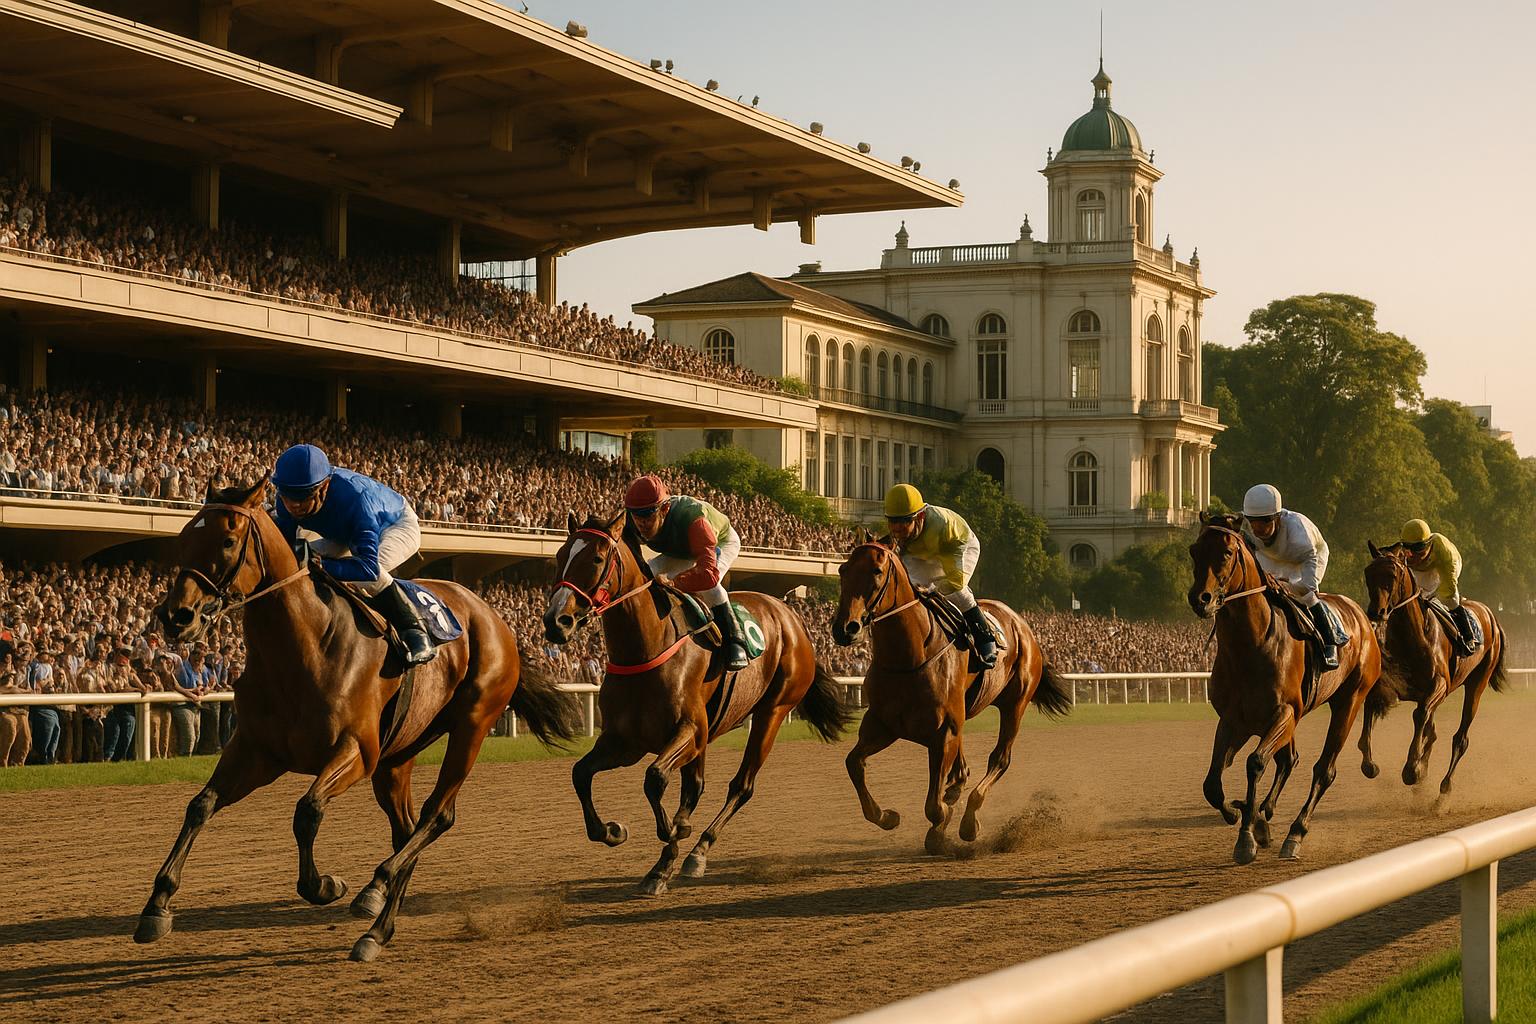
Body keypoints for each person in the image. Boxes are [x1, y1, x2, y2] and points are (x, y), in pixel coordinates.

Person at [271, 443, 434, 664]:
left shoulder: (357, 502)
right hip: (342, 533)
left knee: (369, 578)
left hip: (394, 525)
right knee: (296, 565)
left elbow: (367, 569)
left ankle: (416, 631)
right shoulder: (284, 500)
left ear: (325, 486)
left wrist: (324, 566)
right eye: (288, 494)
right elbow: (290, 545)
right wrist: (306, 559)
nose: (294, 504)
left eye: (304, 495)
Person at [623, 474, 748, 671]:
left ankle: (735, 641)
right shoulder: (631, 520)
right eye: (635, 514)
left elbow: (708, 574)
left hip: (720, 542)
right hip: (680, 549)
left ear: (664, 509)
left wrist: (674, 583)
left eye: (647, 515)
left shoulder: (694, 521)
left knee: (712, 589)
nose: (641, 523)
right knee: (645, 574)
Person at [881, 483, 996, 668]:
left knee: (952, 589)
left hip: (957, 546)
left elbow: (949, 571)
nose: (896, 528)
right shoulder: (900, 529)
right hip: (922, 553)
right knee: (908, 589)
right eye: (892, 521)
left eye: (903, 522)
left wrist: (936, 585)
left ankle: (984, 637)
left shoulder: (943, 526)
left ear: (919, 516)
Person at [1239, 484, 1343, 672]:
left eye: (1264, 521)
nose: (1257, 528)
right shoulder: (1245, 526)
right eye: (1253, 521)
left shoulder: (1300, 537)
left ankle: (1330, 642)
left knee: (1306, 596)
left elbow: (1308, 585)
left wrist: (1286, 584)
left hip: (1308, 556)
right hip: (1272, 557)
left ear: (1277, 517)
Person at [1399, 519, 1479, 655]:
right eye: (1408, 549)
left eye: (1418, 550)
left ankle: (1468, 635)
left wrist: (1442, 595)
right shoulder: (1405, 552)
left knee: (1447, 599)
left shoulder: (1446, 556)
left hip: (1441, 566)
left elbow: (1448, 588)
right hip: (1423, 567)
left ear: (1428, 544)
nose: (1412, 555)